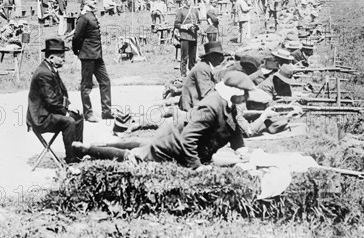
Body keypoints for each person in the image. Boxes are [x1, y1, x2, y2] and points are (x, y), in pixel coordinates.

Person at [71, 71, 256, 169]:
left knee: (142, 146)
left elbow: (234, 130)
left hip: (175, 141)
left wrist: (241, 150)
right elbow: (188, 139)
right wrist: (196, 167)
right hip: (172, 148)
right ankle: (89, 149)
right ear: (234, 93)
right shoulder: (212, 106)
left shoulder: (227, 105)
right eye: (244, 95)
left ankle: (95, 145)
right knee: (135, 157)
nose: (246, 99)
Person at [27, 38, 85, 164]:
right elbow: (51, 101)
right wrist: (66, 112)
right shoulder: (44, 73)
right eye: (61, 56)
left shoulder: (49, 69)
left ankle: (78, 153)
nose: (64, 59)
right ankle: (71, 161)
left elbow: (59, 95)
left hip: (48, 112)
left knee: (78, 117)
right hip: (41, 118)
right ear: (52, 57)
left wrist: (69, 107)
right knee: (69, 121)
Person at [72, 0, 113, 122]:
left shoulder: (91, 15)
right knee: (86, 85)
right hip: (88, 55)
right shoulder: (84, 17)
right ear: (85, 0)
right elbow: (77, 37)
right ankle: (88, 114)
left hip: (97, 56)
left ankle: (106, 112)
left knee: (105, 81)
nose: (95, 1)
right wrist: (77, 51)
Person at [179, 41, 225, 112]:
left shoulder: (206, 67)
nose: (222, 58)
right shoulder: (202, 69)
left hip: (197, 101)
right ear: (212, 57)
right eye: (219, 55)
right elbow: (206, 94)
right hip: (190, 105)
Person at [174, 0, 200, 77]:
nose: (188, 1)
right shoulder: (180, 10)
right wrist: (185, 26)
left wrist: (196, 26)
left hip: (193, 36)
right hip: (184, 36)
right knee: (184, 57)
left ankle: (192, 75)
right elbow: (176, 24)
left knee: (193, 58)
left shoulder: (195, 10)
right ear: (184, 0)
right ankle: (183, 75)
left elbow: (198, 22)